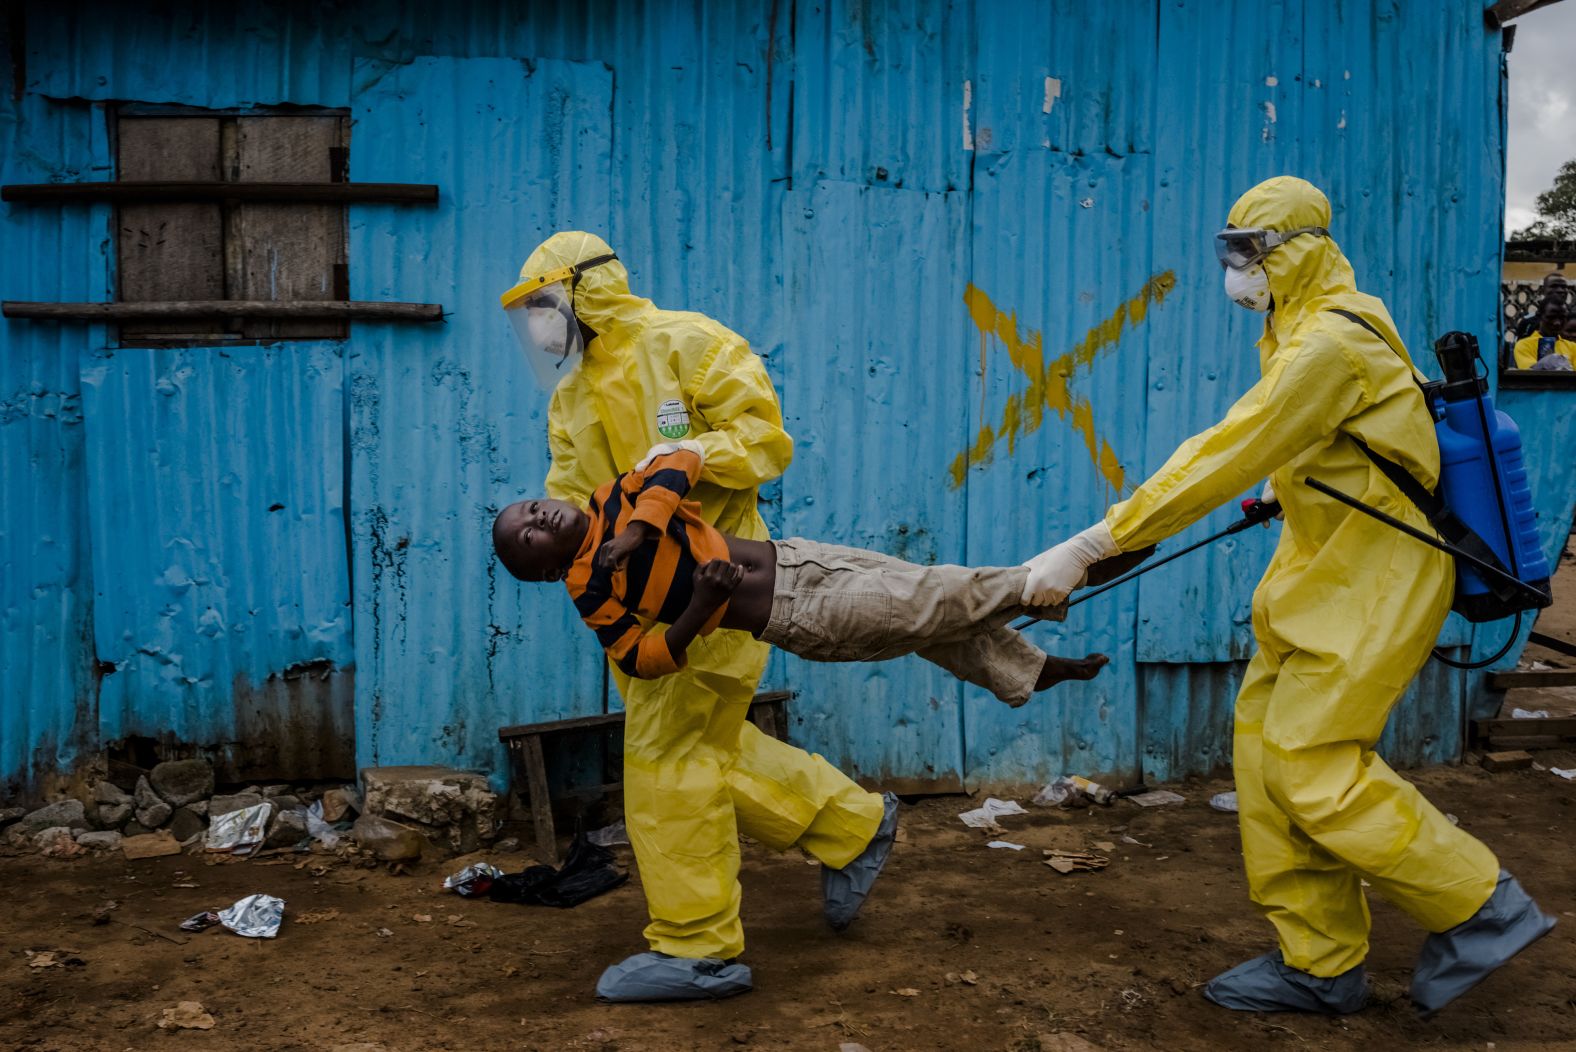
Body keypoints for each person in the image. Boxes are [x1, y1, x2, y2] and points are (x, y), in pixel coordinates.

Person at [1020, 177, 1555, 1018]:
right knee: (1268, 761)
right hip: (1321, 572)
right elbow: (1344, 436)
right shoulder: (1305, 325)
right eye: (1227, 250)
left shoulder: (1329, 342)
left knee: (1314, 763)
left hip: (1376, 578)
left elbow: (1227, 447)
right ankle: (1320, 961)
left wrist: (1099, 541)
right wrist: (1288, 485)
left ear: (1296, 250)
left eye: (1248, 253)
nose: (1234, 272)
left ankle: (1481, 905)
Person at [500, 232, 895, 1003]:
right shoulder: (571, 398)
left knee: (663, 762)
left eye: (546, 305)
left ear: (587, 288)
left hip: (717, 583)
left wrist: (670, 469)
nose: (543, 328)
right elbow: (575, 499)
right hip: (641, 608)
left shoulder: (692, 343)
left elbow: (762, 441)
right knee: (705, 750)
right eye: (531, 316)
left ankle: (696, 946)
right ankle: (853, 825)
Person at [492, 448, 1122, 705]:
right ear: (547, 570)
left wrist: (636, 533)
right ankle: (1062, 571)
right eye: (528, 535)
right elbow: (639, 660)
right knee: (932, 599)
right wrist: (698, 608)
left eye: (527, 507)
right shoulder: (592, 591)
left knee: (933, 621)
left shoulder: (613, 499)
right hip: (798, 616)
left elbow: (680, 459)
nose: (536, 515)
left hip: (803, 557)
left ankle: (1032, 671)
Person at [1512, 300, 1575, 370]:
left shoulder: (1573, 347)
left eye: (1562, 318)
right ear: (1539, 316)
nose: (1557, 323)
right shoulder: (1524, 345)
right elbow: (1532, 374)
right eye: (1551, 317)